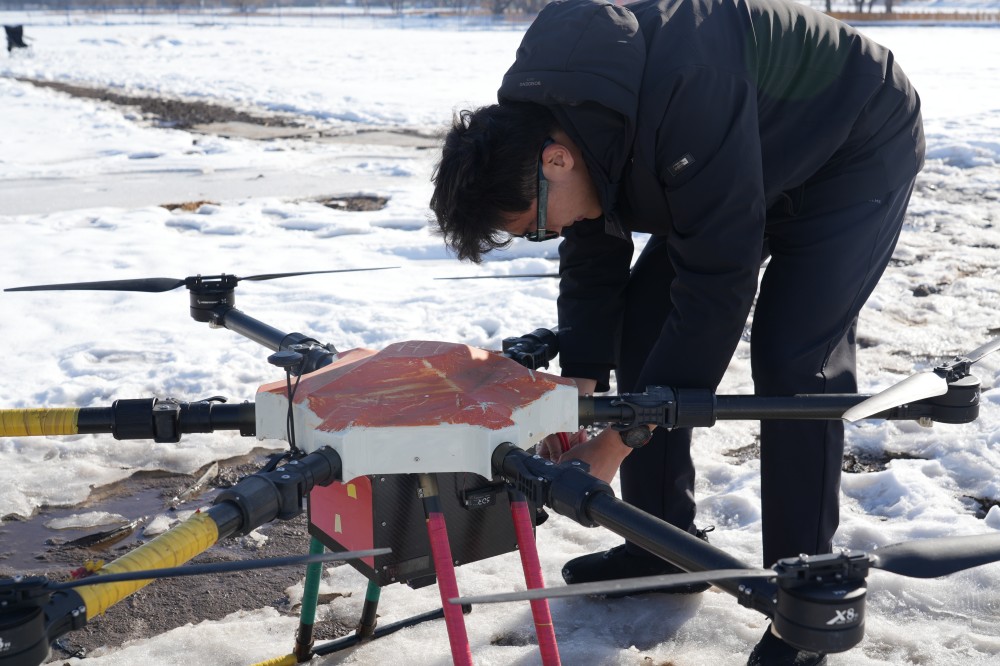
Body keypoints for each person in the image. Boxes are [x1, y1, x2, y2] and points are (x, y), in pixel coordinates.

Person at [430, 0, 924, 663]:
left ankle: (809, 601)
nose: (547, 237)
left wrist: (620, 441)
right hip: (736, 151)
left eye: (536, 228)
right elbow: (590, 238)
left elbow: (717, 283)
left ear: (554, 162)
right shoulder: (542, 119)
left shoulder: (686, 94)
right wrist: (581, 370)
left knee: (794, 361)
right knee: (646, 322)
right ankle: (660, 546)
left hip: (852, 139)